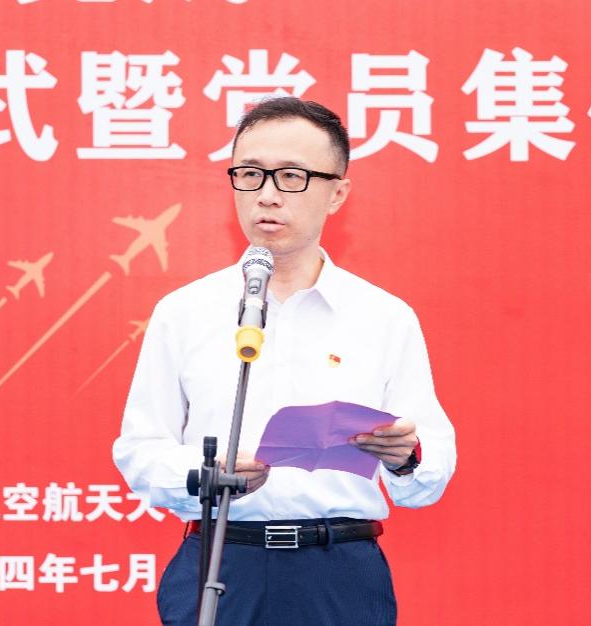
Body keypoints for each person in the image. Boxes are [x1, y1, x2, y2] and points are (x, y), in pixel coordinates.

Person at [113, 97, 456, 625]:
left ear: (337, 192)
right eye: (250, 174)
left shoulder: (384, 316)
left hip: (339, 569)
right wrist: (208, 475)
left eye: (292, 176)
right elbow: (139, 450)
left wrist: (404, 456)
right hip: (223, 561)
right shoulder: (184, 312)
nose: (267, 195)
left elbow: (427, 473)